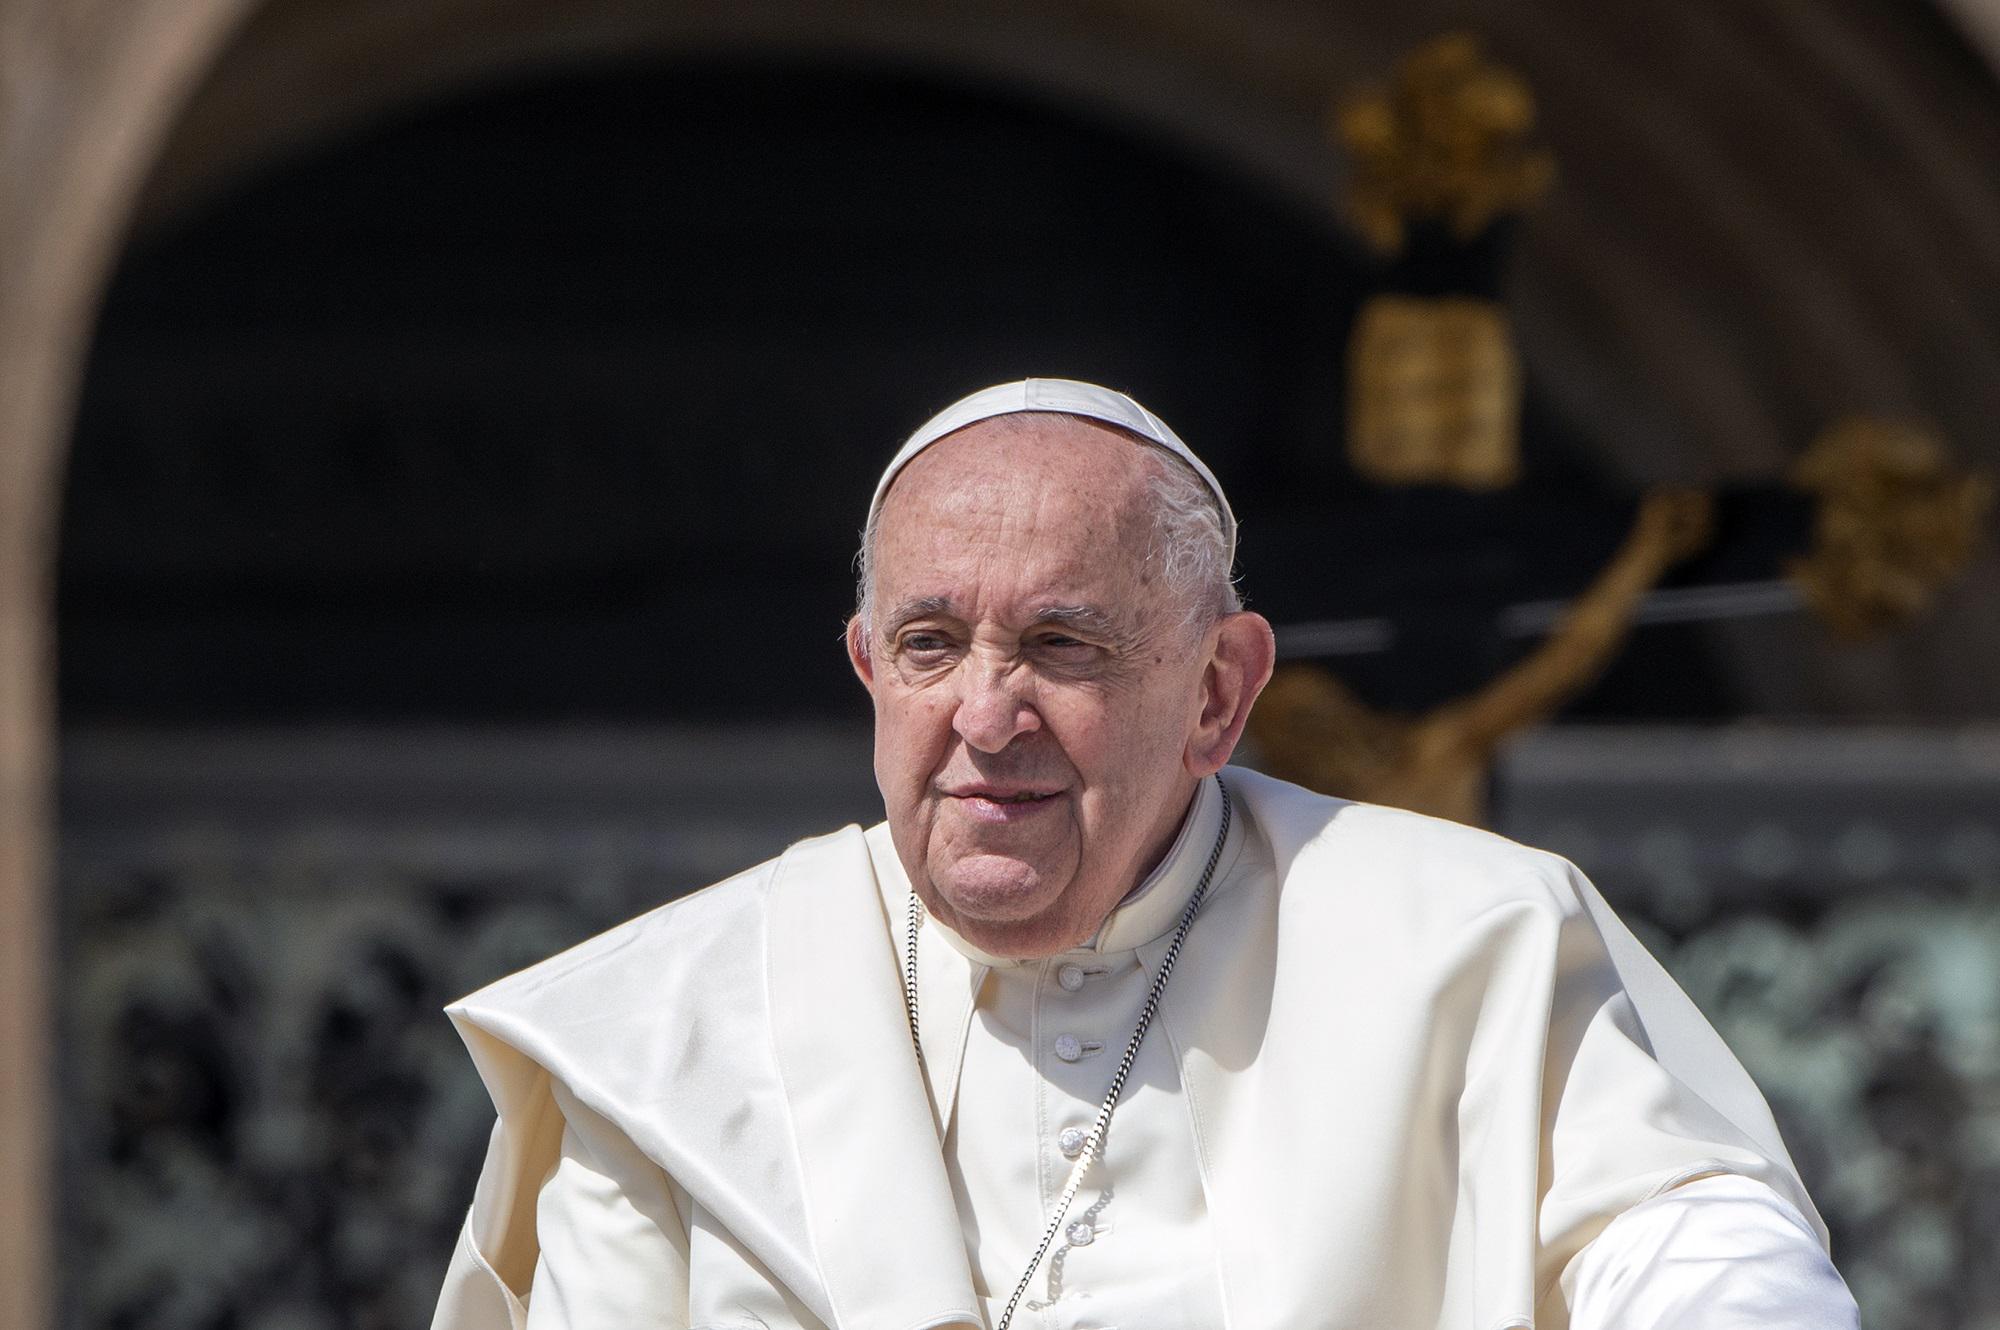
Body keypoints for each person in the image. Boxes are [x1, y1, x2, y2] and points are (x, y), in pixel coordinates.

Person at [432, 379, 1857, 1329]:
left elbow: (1709, 1261)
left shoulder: (1468, 942)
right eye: (932, 645)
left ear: (1221, 692)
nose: (986, 715)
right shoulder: (669, 1030)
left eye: (1063, 644)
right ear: (868, 667)